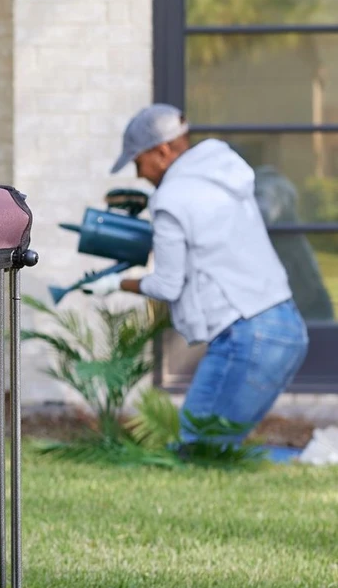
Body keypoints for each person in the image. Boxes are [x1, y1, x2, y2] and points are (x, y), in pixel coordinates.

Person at [112, 104, 308, 446]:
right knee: (220, 448)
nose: (139, 173)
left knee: (197, 448)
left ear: (161, 151)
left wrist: (116, 283)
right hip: (286, 327)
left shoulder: (171, 198)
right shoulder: (220, 174)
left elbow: (168, 285)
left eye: (137, 161)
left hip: (249, 335)